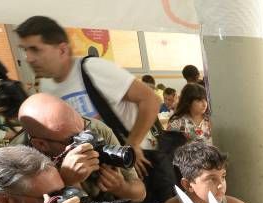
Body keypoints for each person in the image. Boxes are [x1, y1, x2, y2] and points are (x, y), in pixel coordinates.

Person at [16, 17, 159, 179]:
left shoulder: (93, 68)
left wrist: (133, 144)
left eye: (35, 49)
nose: (28, 58)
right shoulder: (46, 86)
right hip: (99, 171)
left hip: (134, 162)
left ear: (62, 50)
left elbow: (150, 100)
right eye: (24, 50)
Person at [17, 93, 146, 203]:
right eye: (75, 139)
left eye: (84, 128)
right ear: (41, 144)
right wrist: (66, 182)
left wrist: (121, 187)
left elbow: (140, 193)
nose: (88, 139)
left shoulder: (97, 129)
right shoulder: (20, 161)